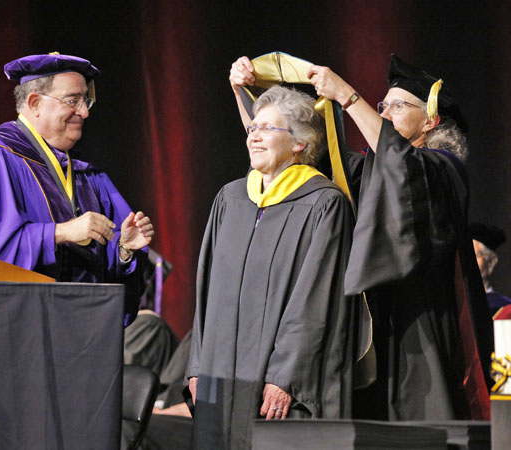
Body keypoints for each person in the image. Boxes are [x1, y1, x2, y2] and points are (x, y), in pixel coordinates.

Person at [300, 54, 493, 420]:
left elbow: (402, 164)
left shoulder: (443, 167)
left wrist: (348, 96)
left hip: (425, 318)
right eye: (382, 106)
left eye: (398, 106)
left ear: (430, 120)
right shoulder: (368, 166)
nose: (385, 114)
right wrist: (248, 95)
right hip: (373, 320)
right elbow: (303, 156)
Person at [187, 85, 361, 450]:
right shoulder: (230, 198)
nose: (254, 136)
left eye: (268, 128)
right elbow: (206, 291)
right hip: (219, 373)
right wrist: (197, 365)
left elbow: (314, 303)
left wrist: (286, 378)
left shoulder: (324, 204)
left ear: (299, 143)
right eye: (253, 129)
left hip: (277, 384)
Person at [0, 53, 154, 320]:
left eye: (85, 101)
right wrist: (58, 233)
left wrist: (124, 250)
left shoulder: (86, 174)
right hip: (17, 334)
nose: (84, 112)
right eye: (72, 101)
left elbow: (107, 273)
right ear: (34, 103)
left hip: (82, 334)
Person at [470, 222, 511, 315]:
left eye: (475, 255)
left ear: (491, 262)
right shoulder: (455, 306)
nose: (469, 262)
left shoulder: (505, 310)